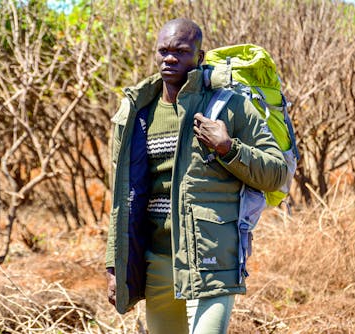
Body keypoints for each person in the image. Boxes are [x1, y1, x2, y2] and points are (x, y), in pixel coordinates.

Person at [106, 18, 288, 334]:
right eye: (163, 51)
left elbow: (277, 173)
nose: (170, 58)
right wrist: (114, 263)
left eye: (181, 51)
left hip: (212, 258)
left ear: (199, 57)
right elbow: (123, 200)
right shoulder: (138, 113)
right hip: (158, 262)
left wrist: (229, 148)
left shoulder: (230, 107)